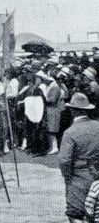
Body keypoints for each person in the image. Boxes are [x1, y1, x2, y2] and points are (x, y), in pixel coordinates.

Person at [59, 92, 99, 222]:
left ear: (72, 110)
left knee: (76, 215)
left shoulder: (70, 133)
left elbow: (64, 161)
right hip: (97, 176)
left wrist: (68, 177)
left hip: (78, 178)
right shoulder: (98, 126)